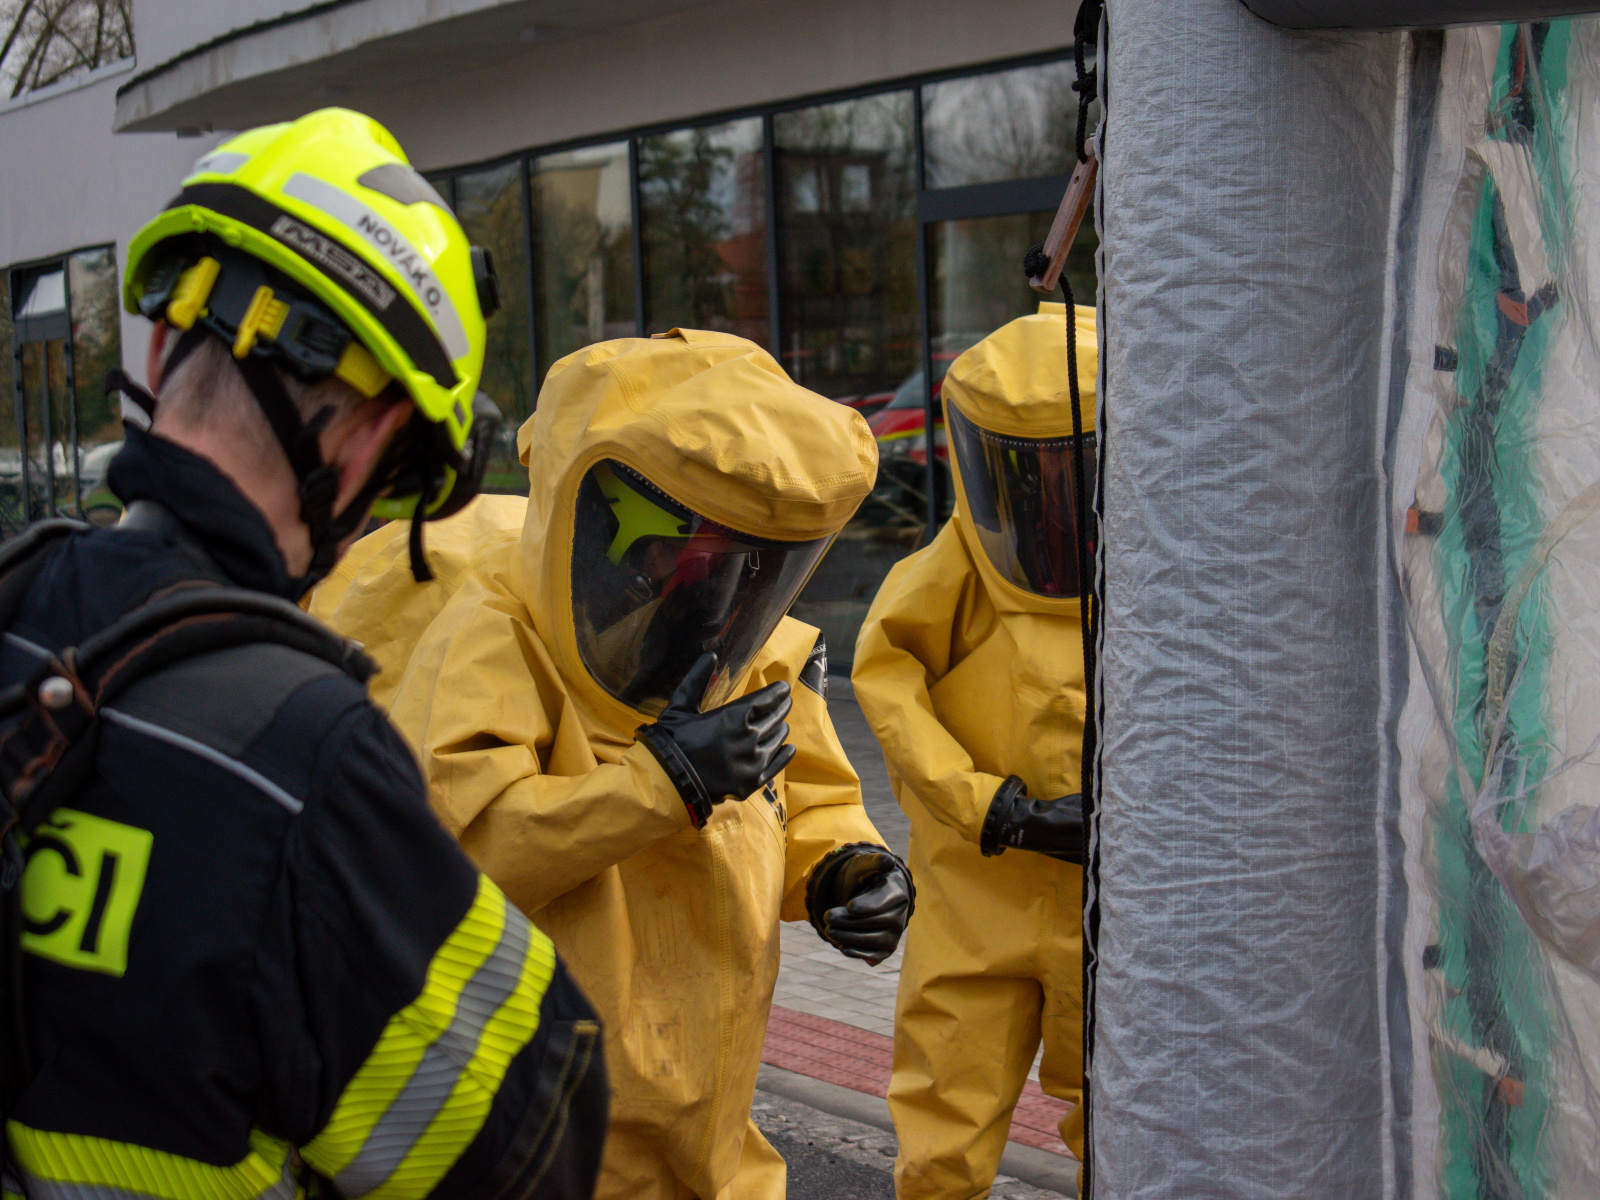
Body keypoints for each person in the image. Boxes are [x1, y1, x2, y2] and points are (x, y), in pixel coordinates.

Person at [0, 109, 607, 1198]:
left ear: (159, 349)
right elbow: (533, 1143)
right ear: (368, 440)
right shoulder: (303, 760)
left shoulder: (15, 613)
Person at [311, 328, 916, 1200]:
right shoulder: (495, 637)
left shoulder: (752, 651)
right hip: (542, 1144)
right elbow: (454, 856)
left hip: (711, 1132)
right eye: (688, 547)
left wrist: (847, 869)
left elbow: (808, 795)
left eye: (747, 563)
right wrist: (661, 784)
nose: (710, 585)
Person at [852, 302, 1094, 1197]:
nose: (1051, 503)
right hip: (976, 897)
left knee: (1128, 1127)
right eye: (1027, 478)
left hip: (1111, 912)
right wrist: (997, 809)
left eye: (1076, 473)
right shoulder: (952, 570)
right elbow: (889, 692)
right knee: (943, 1130)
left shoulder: (1162, 574)